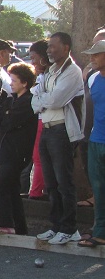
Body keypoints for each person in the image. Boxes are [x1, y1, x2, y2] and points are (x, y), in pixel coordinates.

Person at [32, 32, 85, 245]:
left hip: (62, 131)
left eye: (53, 46)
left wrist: (42, 98)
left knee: (64, 182)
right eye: (48, 47)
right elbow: (35, 103)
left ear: (66, 47)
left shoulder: (72, 71)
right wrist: (43, 99)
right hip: (46, 128)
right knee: (51, 183)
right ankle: (55, 226)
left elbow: (55, 100)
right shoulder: (50, 71)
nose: (50, 50)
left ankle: (70, 228)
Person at [0, 63, 38, 235]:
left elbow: (7, 123)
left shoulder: (28, 101)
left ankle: (6, 224)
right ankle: (20, 228)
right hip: (7, 152)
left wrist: (3, 115)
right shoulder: (12, 100)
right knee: (11, 189)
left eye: (14, 80)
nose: (10, 83)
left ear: (24, 83)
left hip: (18, 154)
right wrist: (2, 114)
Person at [81, 40, 105, 247]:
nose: (92, 58)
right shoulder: (94, 78)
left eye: (96, 55)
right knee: (99, 189)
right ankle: (99, 232)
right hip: (96, 140)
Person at [26, 39, 51, 200]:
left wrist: (38, 99)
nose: (32, 62)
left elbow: (44, 100)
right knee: (37, 157)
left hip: (46, 120)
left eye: (34, 57)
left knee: (39, 157)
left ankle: (36, 191)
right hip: (41, 118)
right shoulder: (42, 76)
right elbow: (35, 101)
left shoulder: (49, 76)